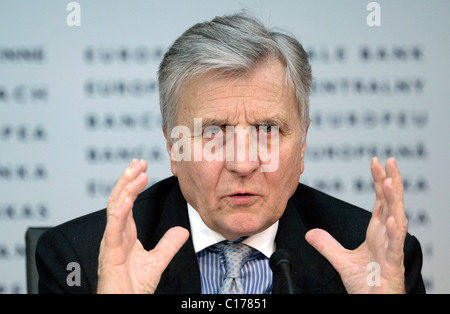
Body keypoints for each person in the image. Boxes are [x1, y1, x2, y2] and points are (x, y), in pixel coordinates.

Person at [36, 12, 425, 294]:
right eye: (213, 133)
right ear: (174, 147)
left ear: (302, 143)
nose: (243, 163)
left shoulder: (377, 256)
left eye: (268, 130)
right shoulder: (83, 261)